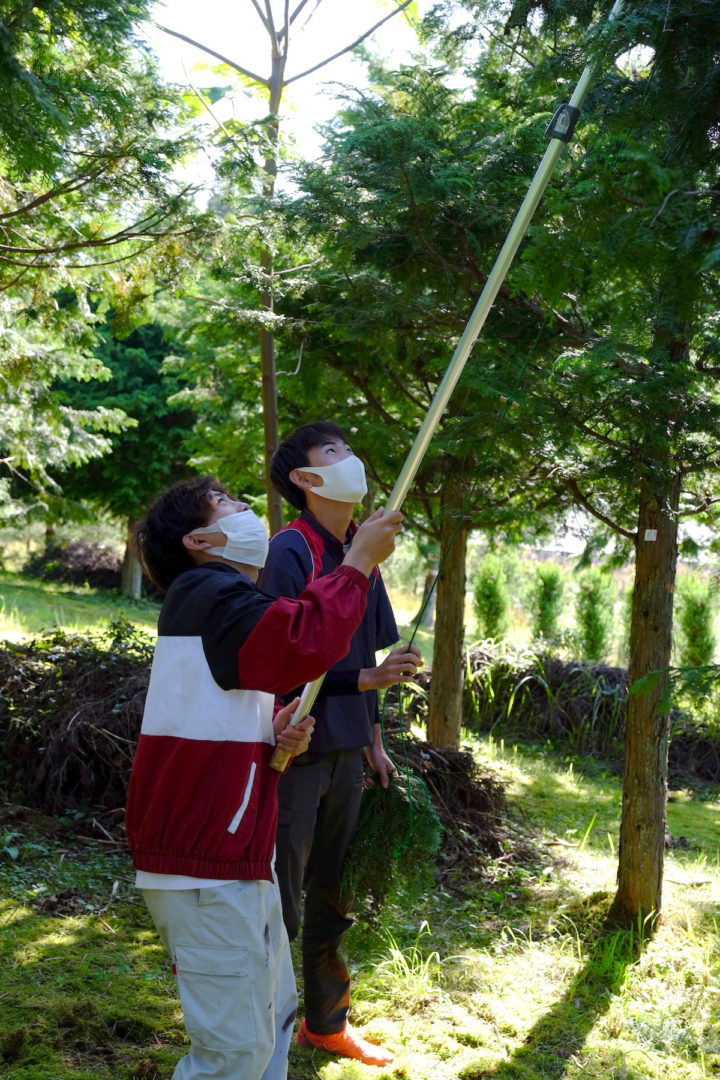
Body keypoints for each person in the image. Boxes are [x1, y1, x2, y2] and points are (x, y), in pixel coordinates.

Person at [125, 475, 403, 1080]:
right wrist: (356, 562)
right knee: (234, 1056)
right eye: (228, 505)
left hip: (235, 857)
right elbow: (300, 642)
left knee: (271, 1024)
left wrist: (271, 730)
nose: (248, 509)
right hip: (205, 863)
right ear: (200, 539)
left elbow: (224, 699)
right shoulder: (209, 590)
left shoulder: (214, 597)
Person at [258, 421, 423, 1068]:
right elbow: (279, 660)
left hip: (349, 749)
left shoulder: (363, 547)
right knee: (286, 897)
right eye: (334, 452)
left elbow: (364, 651)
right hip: (297, 752)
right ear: (304, 479)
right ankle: (268, 1018)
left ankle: (327, 1024)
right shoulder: (290, 551)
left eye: (351, 448)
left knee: (335, 894)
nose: (350, 459)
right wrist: (364, 679)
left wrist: (374, 738)